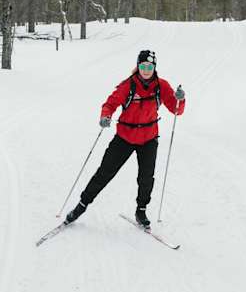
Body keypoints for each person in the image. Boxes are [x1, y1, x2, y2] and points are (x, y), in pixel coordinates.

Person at [64, 49, 186, 229]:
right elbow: (110, 103)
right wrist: (105, 116)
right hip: (124, 137)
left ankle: (141, 210)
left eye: (150, 66)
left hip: (149, 138)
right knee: (104, 172)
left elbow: (176, 110)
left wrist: (180, 99)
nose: (146, 70)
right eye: (143, 66)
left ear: (154, 68)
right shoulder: (128, 85)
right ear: (137, 66)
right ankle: (81, 205)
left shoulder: (162, 86)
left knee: (146, 178)